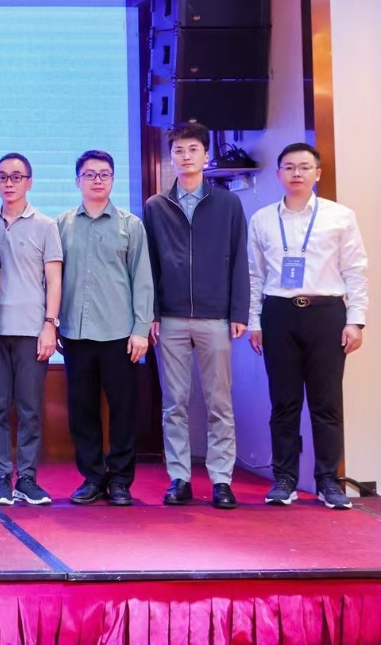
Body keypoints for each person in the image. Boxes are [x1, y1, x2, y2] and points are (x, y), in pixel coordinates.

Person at [248, 142, 368, 509]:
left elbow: (355, 270)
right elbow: (254, 275)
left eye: (304, 167)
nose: (296, 173)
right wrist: (254, 321)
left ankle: (328, 481)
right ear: (278, 174)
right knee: (283, 403)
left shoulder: (339, 216)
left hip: (326, 314)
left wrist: (356, 320)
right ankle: (284, 479)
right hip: (279, 313)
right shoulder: (262, 219)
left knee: (326, 403)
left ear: (317, 173)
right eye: (289, 167)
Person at [143, 122, 249, 509]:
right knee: (174, 403)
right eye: (179, 150)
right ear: (170, 157)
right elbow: (149, 265)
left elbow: (240, 259)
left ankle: (221, 480)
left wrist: (238, 310)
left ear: (206, 155)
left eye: (193, 149)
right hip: (170, 318)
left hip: (215, 316)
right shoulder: (156, 206)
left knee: (219, 402)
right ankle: (180, 478)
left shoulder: (228, 204)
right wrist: (151, 312)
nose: (185, 156)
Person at [56, 149, 154, 507]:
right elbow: (51, 279)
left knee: (123, 410)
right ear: (77, 180)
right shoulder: (62, 224)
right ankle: (93, 478)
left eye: (104, 174)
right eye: (90, 174)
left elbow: (142, 279)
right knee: (82, 410)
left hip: (120, 334)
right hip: (75, 333)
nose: (97, 180)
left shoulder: (131, 225)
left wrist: (141, 328)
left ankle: (121, 481)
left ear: (112, 179)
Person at [0, 153, 62, 507]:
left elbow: (54, 280)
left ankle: (27, 478)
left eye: (16, 177)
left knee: (29, 408)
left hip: (32, 330)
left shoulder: (46, 225)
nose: (9, 183)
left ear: (29, 181)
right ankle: (2, 476)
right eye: (3, 177)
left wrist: (50, 325)